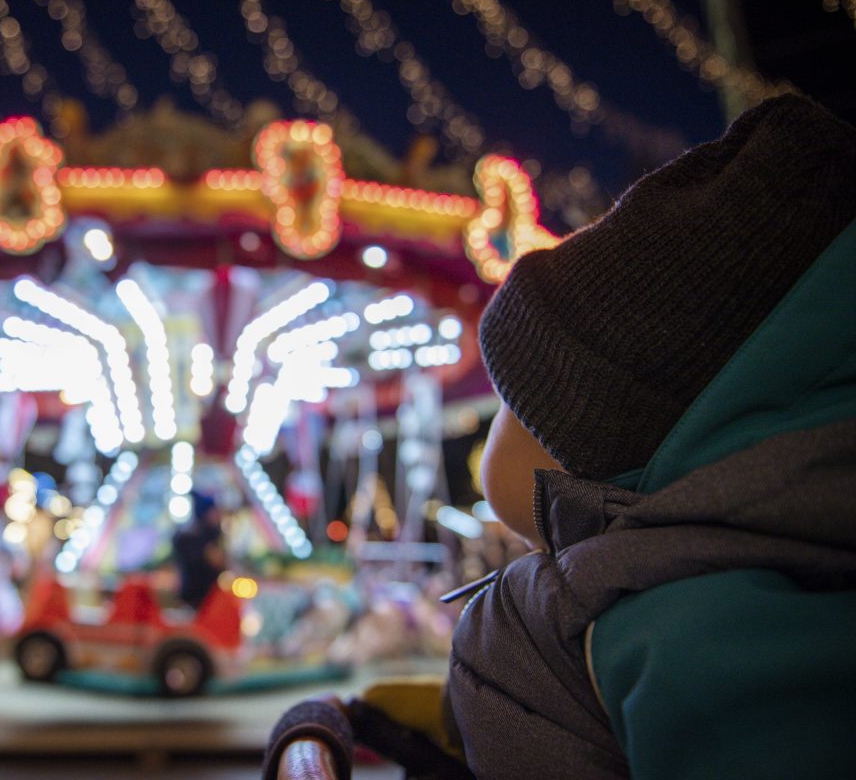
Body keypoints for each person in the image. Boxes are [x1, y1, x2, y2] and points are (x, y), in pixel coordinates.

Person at [265, 93, 856, 778]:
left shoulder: (691, 636)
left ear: (591, 437)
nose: (496, 425)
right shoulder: (655, 593)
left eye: (513, 401)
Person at [171, 490, 225, 609]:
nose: (218, 516)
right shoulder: (190, 538)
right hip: (196, 599)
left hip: (210, 598)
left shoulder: (213, 536)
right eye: (214, 512)